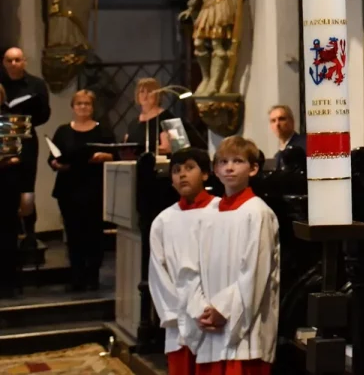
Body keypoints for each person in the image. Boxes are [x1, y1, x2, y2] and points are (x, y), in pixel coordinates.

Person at [188, 136, 279, 375]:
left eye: (238, 161)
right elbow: (193, 266)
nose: (229, 167)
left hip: (244, 329)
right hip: (210, 324)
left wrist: (223, 309)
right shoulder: (208, 215)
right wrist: (201, 308)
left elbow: (255, 272)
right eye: (223, 162)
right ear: (215, 169)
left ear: (253, 168)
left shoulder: (257, 213)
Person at [149, 148, 217, 375]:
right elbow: (158, 274)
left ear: (206, 174)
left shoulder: (221, 212)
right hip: (179, 318)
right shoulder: (163, 221)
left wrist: (214, 307)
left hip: (214, 316)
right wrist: (179, 313)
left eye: (190, 168)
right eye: (176, 171)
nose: (182, 175)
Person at [48, 89, 116, 291]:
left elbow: (116, 154)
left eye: (87, 104)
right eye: (79, 104)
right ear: (73, 107)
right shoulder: (63, 131)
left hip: (94, 188)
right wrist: (56, 164)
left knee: (94, 234)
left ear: (92, 107)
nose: (83, 107)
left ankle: (92, 274)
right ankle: (76, 275)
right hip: (68, 189)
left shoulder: (102, 130)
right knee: (73, 233)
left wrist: (104, 156)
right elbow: (52, 157)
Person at [0, 82, 39, 297]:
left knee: (7, 233)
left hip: (7, 184)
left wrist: (27, 190)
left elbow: (26, 157)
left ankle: (8, 282)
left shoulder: (14, 121)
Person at [118, 78, 175, 158]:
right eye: (142, 92)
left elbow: (168, 147)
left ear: (157, 95)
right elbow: (126, 147)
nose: (145, 95)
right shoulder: (133, 123)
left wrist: (143, 152)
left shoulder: (166, 117)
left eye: (149, 91)